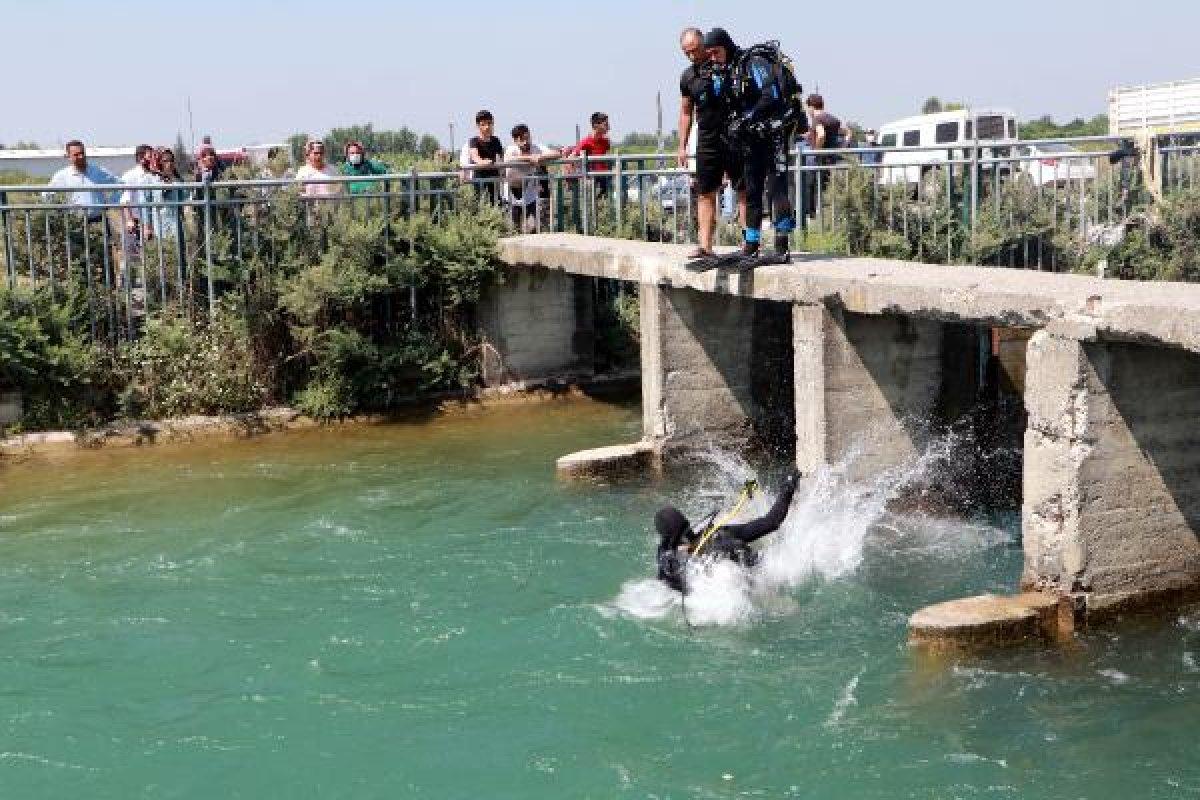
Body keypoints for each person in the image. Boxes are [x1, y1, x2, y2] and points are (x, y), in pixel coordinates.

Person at [704, 28, 798, 262]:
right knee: (752, 189)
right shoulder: (728, 71)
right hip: (752, 137)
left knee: (776, 189)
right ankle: (751, 245)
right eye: (710, 54)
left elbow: (771, 95)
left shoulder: (753, 62)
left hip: (774, 134)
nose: (713, 57)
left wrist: (746, 118)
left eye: (716, 52)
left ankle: (782, 247)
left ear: (726, 46)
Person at [655, 470, 801, 593]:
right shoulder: (713, 535)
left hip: (748, 579)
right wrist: (787, 488)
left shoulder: (714, 536)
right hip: (753, 577)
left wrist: (787, 490)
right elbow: (772, 522)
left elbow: (771, 522)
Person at [678, 26, 745, 259]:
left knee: (743, 189)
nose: (692, 56)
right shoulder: (688, 76)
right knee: (705, 191)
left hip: (734, 135)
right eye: (686, 52)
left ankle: (749, 245)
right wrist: (682, 145)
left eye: (695, 50)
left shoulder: (727, 65)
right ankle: (705, 247)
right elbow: (686, 112)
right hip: (707, 138)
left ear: (704, 45)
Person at [43, 140, 121, 221]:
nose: (81, 157)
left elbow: (120, 184)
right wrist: (59, 211)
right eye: (76, 155)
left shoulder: (98, 171)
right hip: (75, 222)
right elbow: (47, 194)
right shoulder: (62, 175)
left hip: (99, 220)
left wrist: (112, 202)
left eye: (82, 153)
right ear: (68, 156)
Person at [503, 124, 561, 232]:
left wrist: (539, 157)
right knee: (514, 228)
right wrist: (529, 158)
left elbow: (557, 153)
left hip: (530, 193)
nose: (525, 142)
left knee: (535, 227)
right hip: (512, 193)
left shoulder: (536, 148)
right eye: (521, 140)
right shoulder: (511, 149)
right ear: (515, 140)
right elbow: (510, 159)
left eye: (527, 138)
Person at [563, 111, 612, 193]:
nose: (609, 128)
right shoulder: (586, 142)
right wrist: (570, 180)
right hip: (591, 180)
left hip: (605, 179)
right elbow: (570, 159)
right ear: (596, 125)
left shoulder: (605, 141)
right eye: (606, 125)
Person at [467, 109, 505, 204]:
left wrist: (502, 170)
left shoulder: (496, 140)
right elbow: (475, 157)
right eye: (483, 124)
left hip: (494, 180)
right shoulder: (474, 141)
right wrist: (484, 162)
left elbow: (502, 158)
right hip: (480, 180)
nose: (487, 127)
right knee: (480, 205)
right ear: (478, 126)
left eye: (489, 123)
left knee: (496, 205)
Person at [155, 147, 185, 241]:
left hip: (176, 222)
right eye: (165, 161)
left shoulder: (179, 180)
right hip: (161, 223)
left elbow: (182, 201)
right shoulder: (155, 180)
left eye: (171, 160)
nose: (169, 163)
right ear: (159, 162)